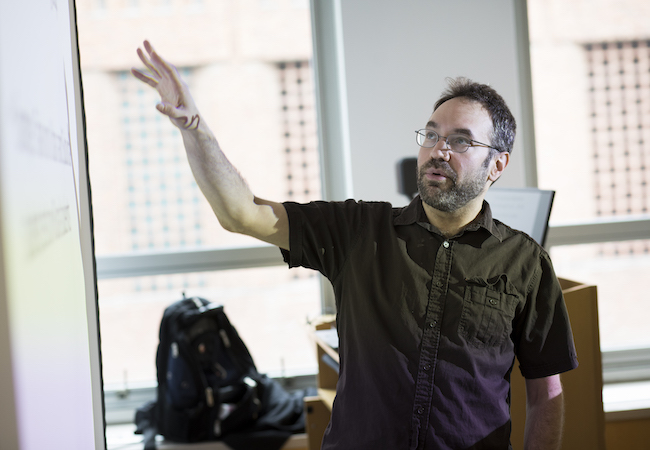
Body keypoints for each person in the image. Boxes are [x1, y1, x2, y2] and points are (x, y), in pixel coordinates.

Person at [132, 40, 578, 450]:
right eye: (432, 134)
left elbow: (545, 393)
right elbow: (241, 213)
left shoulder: (526, 263)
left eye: (460, 140)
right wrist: (193, 128)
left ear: (497, 165)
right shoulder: (359, 230)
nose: (439, 150)